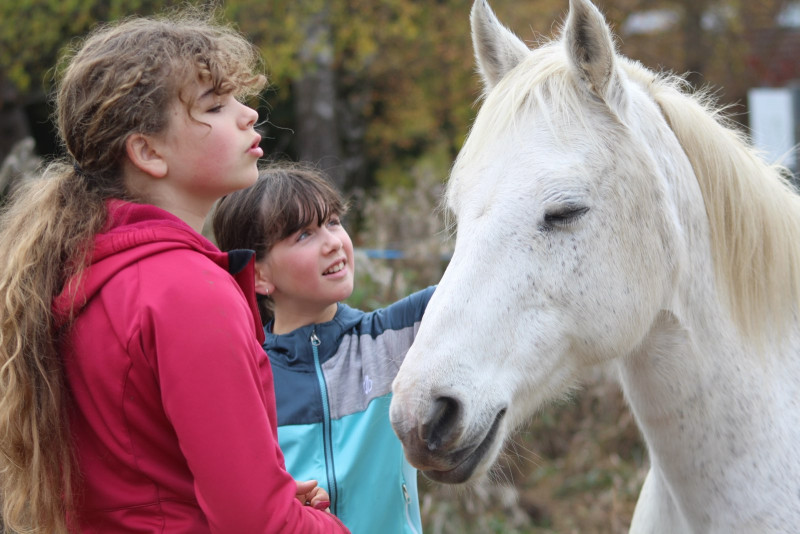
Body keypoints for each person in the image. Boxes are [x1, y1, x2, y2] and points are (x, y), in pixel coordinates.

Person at [0, 12, 349, 534]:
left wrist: (263, 490)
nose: (249, 115)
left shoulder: (84, 271)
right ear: (148, 151)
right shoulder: (187, 292)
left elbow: (141, 476)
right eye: (215, 105)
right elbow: (261, 526)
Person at [213, 163, 436, 534]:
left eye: (333, 222)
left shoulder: (399, 333)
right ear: (260, 275)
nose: (333, 242)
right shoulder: (245, 377)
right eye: (304, 235)